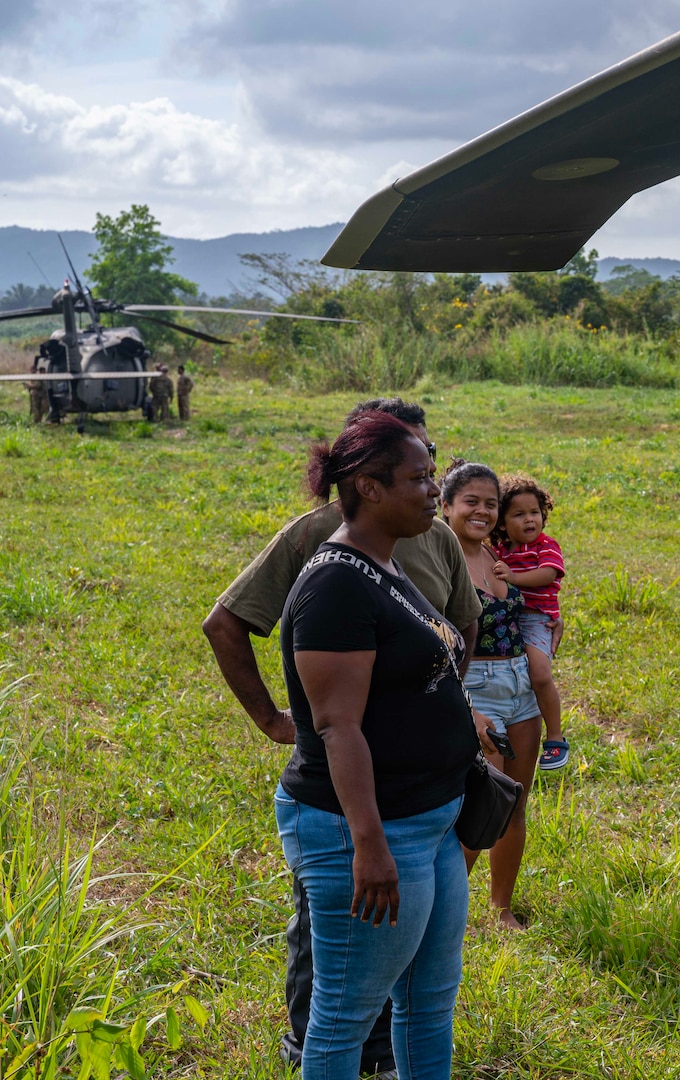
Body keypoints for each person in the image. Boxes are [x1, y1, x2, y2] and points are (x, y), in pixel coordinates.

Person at [202, 397, 479, 1078]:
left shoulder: (385, 562)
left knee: (427, 1002)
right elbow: (336, 725)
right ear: (368, 488)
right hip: (373, 829)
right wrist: (370, 844)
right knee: (345, 1018)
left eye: (433, 474)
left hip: (429, 819)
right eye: (418, 479)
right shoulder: (335, 583)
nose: (433, 491)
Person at [439, 461, 544, 930]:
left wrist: (546, 632)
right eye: (470, 502)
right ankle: (444, 916)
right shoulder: (435, 558)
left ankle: (501, 909)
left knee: (515, 802)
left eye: (490, 504)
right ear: (445, 507)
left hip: (522, 686)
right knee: (480, 805)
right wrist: (464, 703)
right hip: (474, 688)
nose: (481, 512)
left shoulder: (499, 555)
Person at [491, 474, 568, 771]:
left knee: (538, 673)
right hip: (509, 620)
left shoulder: (545, 545)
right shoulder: (499, 550)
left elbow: (547, 574)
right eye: (519, 514)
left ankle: (556, 737)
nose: (529, 520)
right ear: (502, 521)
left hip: (537, 620)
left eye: (534, 512)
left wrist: (513, 577)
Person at [25, 354, 47, 424]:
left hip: (41, 393)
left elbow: (38, 385)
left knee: (41, 408)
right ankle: (37, 421)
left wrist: (29, 386)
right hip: (37, 393)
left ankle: (38, 420)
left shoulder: (38, 375)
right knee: (36, 408)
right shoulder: (34, 375)